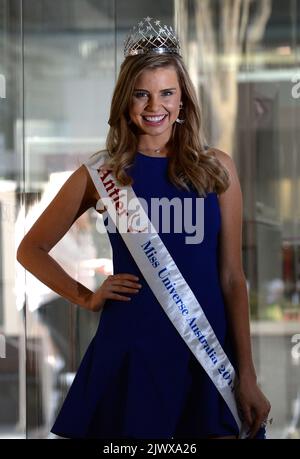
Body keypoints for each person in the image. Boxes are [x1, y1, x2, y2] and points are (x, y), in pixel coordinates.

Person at [16, 17, 271, 439]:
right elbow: (30, 249)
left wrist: (247, 372)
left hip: (204, 355)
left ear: (183, 100)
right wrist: (88, 297)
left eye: (167, 93)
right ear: (125, 101)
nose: (155, 106)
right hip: (131, 352)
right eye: (142, 94)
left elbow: (231, 278)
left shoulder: (217, 169)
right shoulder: (102, 175)